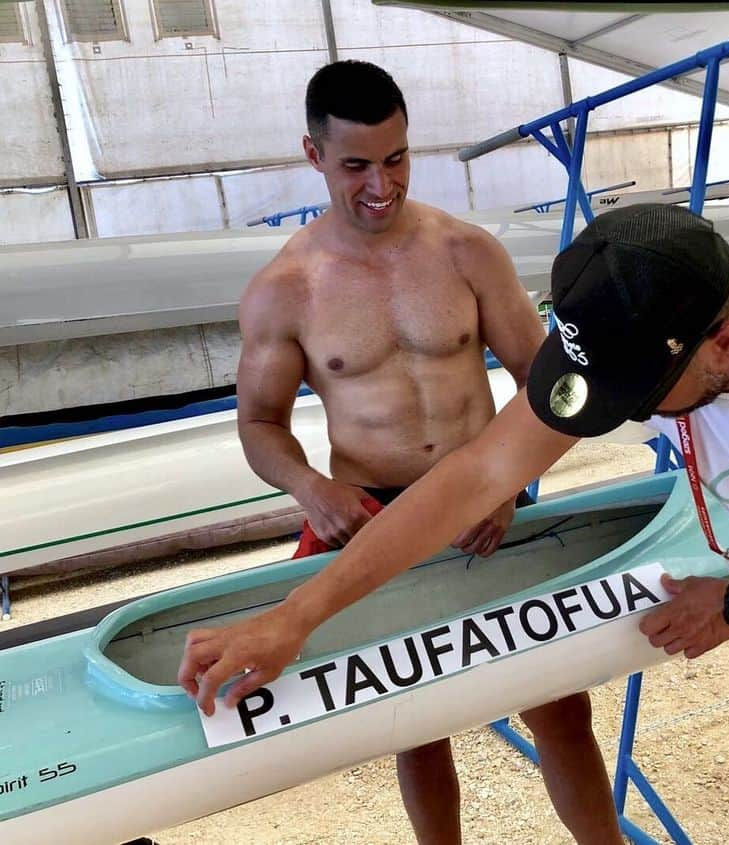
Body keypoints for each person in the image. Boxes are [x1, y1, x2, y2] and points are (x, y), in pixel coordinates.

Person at [182, 204, 729, 845]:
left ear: (724, 346)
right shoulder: (644, 329)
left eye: (638, 399)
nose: (616, 415)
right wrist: (298, 615)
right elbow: (476, 473)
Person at [224, 60, 623, 845]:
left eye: (397, 158)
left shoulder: (468, 252)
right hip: (371, 513)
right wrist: (310, 487)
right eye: (357, 166)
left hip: (490, 507)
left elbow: (548, 386)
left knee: (558, 706)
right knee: (418, 717)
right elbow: (259, 424)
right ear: (313, 156)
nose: (382, 184)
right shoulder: (286, 288)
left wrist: (510, 479)